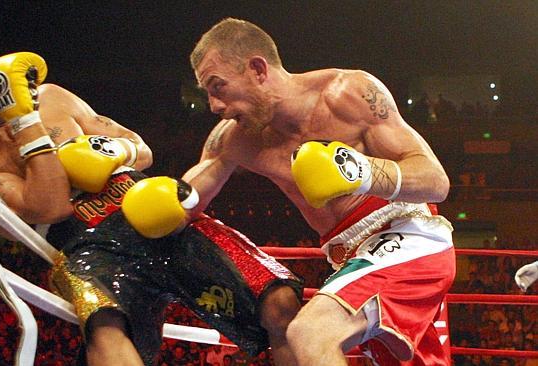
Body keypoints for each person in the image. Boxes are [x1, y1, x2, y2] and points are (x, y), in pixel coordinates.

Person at [0, 41, 302, 366]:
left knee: (279, 302)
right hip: (85, 246)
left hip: (150, 208)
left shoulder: (51, 98)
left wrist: (113, 150)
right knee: (106, 327)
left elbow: (142, 149)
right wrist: (23, 121)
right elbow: (51, 207)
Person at [179, 18, 456, 365]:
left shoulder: (347, 94)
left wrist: (359, 171)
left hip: (407, 235)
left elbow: (436, 180)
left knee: (308, 332)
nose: (214, 105)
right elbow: (186, 199)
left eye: (217, 86)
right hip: (350, 257)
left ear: (257, 69)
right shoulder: (235, 138)